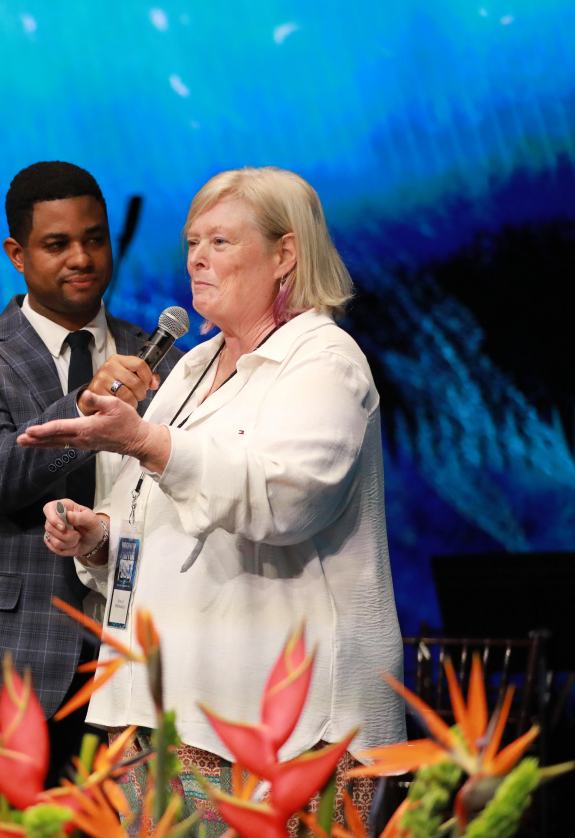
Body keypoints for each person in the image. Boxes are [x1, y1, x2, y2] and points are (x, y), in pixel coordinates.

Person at [24, 167, 405, 833]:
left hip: (285, 725)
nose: (197, 258)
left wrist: (144, 440)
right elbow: (158, 508)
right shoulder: (193, 367)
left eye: (221, 242)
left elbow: (286, 500)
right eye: (192, 242)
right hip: (168, 707)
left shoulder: (324, 362)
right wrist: (101, 537)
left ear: (285, 254)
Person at [0, 161, 180, 812]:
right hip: (1, 667)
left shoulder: (166, 359)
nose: (82, 258)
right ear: (17, 254)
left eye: (95, 239)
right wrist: (86, 405)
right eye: (57, 244)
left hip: (137, 667)